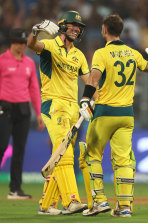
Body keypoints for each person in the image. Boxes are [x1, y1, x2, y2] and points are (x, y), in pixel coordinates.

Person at [79, 14, 148, 217]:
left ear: (104, 30)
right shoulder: (132, 53)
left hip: (105, 112)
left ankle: (99, 202)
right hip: (126, 115)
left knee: (92, 155)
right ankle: (124, 207)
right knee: (123, 160)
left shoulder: (101, 53)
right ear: (121, 31)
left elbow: (93, 79)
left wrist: (84, 100)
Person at [27, 11, 91, 215]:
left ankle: (46, 206)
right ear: (62, 26)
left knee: (60, 155)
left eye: (79, 27)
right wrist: (36, 30)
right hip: (54, 105)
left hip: (73, 109)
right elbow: (31, 45)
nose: (77, 29)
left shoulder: (79, 55)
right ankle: (71, 200)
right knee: (65, 153)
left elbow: (89, 83)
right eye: (73, 25)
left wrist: (90, 102)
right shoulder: (50, 45)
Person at [0, 28, 45, 199]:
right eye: (18, 43)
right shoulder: (2, 60)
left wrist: (39, 114)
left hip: (23, 110)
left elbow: (34, 88)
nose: (21, 46)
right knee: (1, 146)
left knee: (19, 150)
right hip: (4, 108)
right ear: (12, 42)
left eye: (23, 43)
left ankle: (15, 189)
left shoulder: (29, 63)